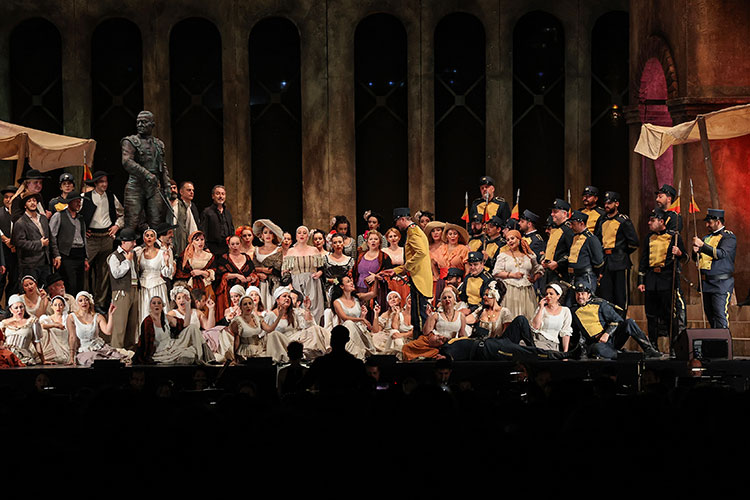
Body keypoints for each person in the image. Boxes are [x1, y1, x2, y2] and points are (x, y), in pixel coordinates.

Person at [570, 282, 661, 359]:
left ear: (589, 294)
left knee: (629, 322)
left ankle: (649, 349)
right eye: (577, 294)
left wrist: (607, 333)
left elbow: (618, 320)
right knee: (597, 348)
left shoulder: (600, 304)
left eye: (583, 294)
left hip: (612, 338)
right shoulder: (573, 311)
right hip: (598, 344)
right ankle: (624, 355)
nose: (580, 296)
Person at [638, 208, 687, 346]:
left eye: (652, 220)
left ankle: (674, 346)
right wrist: (641, 280)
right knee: (651, 314)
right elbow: (644, 260)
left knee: (669, 314)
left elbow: (686, 258)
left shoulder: (674, 237)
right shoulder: (649, 237)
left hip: (667, 279)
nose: (649, 223)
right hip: (651, 279)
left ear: (661, 221)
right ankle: (653, 345)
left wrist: (679, 253)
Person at [382, 208, 433, 338]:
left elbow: (421, 253)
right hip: (416, 277)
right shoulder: (413, 231)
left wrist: (406, 267)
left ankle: (422, 340)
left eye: (397, 222)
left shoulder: (414, 232)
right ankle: (418, 338)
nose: (397, 225)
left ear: (403, 219)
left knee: (420, 314)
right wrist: (395, 270)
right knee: (416, 313)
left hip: (419, 278)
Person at [121, 110, 172, 231]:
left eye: (144, 122)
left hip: (154, 186)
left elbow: (162, 166)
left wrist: (167, 185)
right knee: (132, 221)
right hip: (136, 185)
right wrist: (147, 174)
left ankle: (155, 243)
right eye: (138, 122)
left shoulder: (159, 144)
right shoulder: (130, 141)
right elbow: (127, 162)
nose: (140, 125)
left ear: (152, 125)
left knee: (156, 221)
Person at [81, 170, 124, 309]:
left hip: (106, 237)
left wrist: (117, 226)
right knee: (85, 270)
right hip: (91, 238)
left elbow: (122, 214)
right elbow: (76, 215)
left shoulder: (111, 197)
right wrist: (83, 229)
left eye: (105, 181)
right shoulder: (85, 197)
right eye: (101, 182)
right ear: (95, 183)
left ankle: (100, 302)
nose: (104, 184)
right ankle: (85, 301)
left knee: (104, 272)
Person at [594, 191, 639, 313]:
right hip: (606, 261)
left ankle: (621, 321)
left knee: (620, 295)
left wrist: (622, 252)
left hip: (620, 261)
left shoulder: (623, 220)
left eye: (609, 203)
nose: (606, 205)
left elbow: (634, 242)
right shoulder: (602, 220)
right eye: (605, 203)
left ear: (616, 204)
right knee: (606, 295)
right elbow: (597, 239)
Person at [134, 295, 212, 365]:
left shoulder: (167, 318)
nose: (156, 305)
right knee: (188, 355)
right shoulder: (147, 321)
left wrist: (188, 306)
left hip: (172, 346)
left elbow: (185, 324)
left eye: (159, 303)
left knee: (193, 328)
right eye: (154, 303)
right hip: (160, 353)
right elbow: (144, 342)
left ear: (162, 306)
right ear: (150, 306)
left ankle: (206, 358)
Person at [692, 208, 736, 329]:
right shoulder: (706, 238)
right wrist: (695, 251)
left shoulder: (728, 237)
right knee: (710, 317)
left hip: (721, 284)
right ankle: (715, 340)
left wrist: (702, 246)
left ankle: (724, 341)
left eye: (709, 222)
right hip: (706, 283)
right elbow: (700, 259)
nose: (707, 225)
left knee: (720, 316)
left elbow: (721, 254)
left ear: (718, 222)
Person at [263, 287, 329, 363]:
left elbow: (307, 326)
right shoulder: (271, 315)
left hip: (297, 338)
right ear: (277, 300)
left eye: (289, 297)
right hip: (283, 341)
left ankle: (329, 349)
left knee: (316, 328)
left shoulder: (294, 312)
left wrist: (307, 309)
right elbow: (266, 333)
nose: (287, 298)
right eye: (284, 296)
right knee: (274, 334)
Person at [401, 286, 466, 361]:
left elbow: (462, 334)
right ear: (441, 302)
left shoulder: (461, 316)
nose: (447, 299)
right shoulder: (436, 315)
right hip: (435, 343)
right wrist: (429, 317)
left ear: (454, 300)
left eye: (449, 297)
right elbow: (426, 332)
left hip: (451, 343)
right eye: (444, 298)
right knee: (408, 347)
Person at [67, 291, 130, 366]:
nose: (84, 302)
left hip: (99, 347)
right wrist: (71, 357)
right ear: (77, 303)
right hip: (84, 350)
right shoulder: (72, 317)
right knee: (95, 360)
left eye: (86, 300)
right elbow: (72, 337)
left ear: (90, 302)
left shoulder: (97, 316)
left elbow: (108, 331)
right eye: (80, 300)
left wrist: (110, 315)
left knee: (117, 358)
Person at [301, 325, 367, 395]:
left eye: (334, 337)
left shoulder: (321, 362)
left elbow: (305, 383)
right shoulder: (356, 364)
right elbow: (365, 387)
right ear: (347, 340)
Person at [493, 229, 543, 320]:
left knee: (528, 316)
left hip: (526, 291)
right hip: (510, 290)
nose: (510, 241)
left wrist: (534, 278)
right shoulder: (503, 255)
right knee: (511, 316)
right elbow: (496, 272)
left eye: (512, 238)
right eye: (507, 240)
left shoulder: (529, 256)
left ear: (519, 239)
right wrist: (512, 275)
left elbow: (538, 269)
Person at [12, 192, 57, 284]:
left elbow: (51, 238)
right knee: (32, 288)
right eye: (29, 201)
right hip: (30, 264)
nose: (32, 203)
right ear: (25, 205)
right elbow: (19, 242)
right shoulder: (20, 222)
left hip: (45, 261)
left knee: (45, 288)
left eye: (34, 200)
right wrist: (40, 243)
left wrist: (56, 255)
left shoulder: (43, 218)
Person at [282, 226, 325, 324]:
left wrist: (319, 273)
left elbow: (321, 268)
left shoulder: (314, 250)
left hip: (312, 282)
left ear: (308, 236)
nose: (302, 235)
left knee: (314, 308)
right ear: (296, 236)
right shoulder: (291, 251)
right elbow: (285, 272)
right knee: (299, 308)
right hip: (296, 283)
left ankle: (315, 329)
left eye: (304, 233)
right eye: (299, 233)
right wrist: (290, 286)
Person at [49, 192, 88, 295]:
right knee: (70, 283)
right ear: (69, 202)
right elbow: (52, 236)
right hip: (66, 254)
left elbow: (84, 237)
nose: (79, 204)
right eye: (76, 201)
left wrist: (85, 257)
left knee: (80, 284)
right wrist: (56, 255)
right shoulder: (59, 216)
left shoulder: (80, 218)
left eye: (80, 201)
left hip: (79, 253)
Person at [107, 228, 140, 349]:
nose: (134, 244)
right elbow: (116, 273)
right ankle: (117, 349)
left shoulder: (133, 254)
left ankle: (129, 349)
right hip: (121, 291)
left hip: (134, 289)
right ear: (123, 242)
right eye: (132, 241)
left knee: (132, 323)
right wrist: (127, 261)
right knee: (120, 324)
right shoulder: (114, 256)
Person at [331, 275, 376, 359]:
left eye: (351, 281)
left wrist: (376, 279)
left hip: (360, 330)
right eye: (348, 282)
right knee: (349, 323)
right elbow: (344, 318)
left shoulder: (357, 298)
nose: (352, 283)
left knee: (351, 324)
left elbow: (374, 294)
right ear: (342, 286)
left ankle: (360, 354)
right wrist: (362, 319)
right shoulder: (337, 302)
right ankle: (354, 355)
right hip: (346, 331)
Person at [214, 234, 256, 322]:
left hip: (244, 290)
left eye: (237, 244)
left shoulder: (247, 257)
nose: (235, 246)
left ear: (241, 244)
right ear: (229, 245)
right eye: (232, 244)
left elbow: (253, 273)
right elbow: (221, 275)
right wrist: (237, 275)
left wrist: (249, 278)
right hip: (229, 291)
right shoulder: (224, 258)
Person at [135, 228, 174, 322]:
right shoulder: (139, 253)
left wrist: (166, 261)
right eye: (147, 236)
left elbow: (166, 273)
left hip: (157, 286)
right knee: (144, 311)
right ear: (144, 238)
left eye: (151, 236)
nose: (149, 238)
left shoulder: (161, 253)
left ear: (155, 238)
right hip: (143, 287)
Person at [352, 229, 392, 314]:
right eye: (371, 239)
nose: (373, 241)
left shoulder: (384, 257)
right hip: (359, 288)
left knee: (373, 314)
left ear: (380, 242)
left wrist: (376, 276)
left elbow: (389, 273)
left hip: (376, 291)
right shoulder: (360, 256)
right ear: (367, 242)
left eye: (376, 239)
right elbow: (354, 271)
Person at [567, 210, 604, 294]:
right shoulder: (575, 237)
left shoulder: (591, 238)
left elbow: (599, 261)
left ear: (581, 223)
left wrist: (596, 274)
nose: (571, 227)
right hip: (574, 277)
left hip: (585, 277)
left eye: (573, 224)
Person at [0, 294, 45, 365]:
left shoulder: (32, 321)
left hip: (24, 356)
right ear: (11, 310)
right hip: (8, 355)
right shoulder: (4, 323)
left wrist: (43, 360)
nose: (19, 310)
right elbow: (1, 341)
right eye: (16, 308)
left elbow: (37, 342)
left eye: (21, 307)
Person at [252, 219, 284, 310]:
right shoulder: (256, 250)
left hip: (274, 283)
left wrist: (270, 271)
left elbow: (278, 268)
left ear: (274, 235)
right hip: (259, 283)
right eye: (265, 232)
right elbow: (252, 268)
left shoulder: (279, 250)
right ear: (261, 235)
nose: (268, 235)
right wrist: (261, 271)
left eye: (270, 232)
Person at [530, 284, 572, 351]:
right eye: (546, 294)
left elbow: (566, 332)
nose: (548, 296)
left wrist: (565, 352)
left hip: (552, 343)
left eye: (551, 294)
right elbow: (535, 327)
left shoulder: (565, 311)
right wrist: (541, 308)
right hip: (538, 339)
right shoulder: (541, 309)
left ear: (558, 296)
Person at [175, 230, 216, 300]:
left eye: (202, 239)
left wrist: (201, 272)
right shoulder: (186, 256)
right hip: (190, 286)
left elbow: (214, 271)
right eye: (197, 240)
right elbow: (181, 273)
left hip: (206, 285)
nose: (200, 242)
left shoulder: (209, 256)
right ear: (192, 242)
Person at [541, 198, 574, 286]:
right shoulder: (555, 229)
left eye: (555, 212)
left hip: (561, 274)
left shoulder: (568, 230)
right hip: (549, 273)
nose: (552, 214)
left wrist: (558, 264)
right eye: (552, 212)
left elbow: (572, 252)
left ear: (564, 214)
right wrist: (545, 260)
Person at [225, 295, 266, 362]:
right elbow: (236, 339)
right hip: (245, 348)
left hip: (258, 346)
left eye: (250, 303)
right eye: (232, 297)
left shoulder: (257, 317)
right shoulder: (238, 319)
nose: (234, 299)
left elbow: (268, 329)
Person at [372, 290, 413, 357]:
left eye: (395, 297)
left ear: (400, 300)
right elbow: (376, 330)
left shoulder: (404, 312)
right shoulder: (385, 314)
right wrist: (376, 314)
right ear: (388, 302)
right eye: (390, 298)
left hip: (401, 336)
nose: (393, 299)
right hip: (387, 337)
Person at [200, 184, 234, 256]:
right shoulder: (207, 212)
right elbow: (203, 231)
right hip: (212, 249)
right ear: (213, 196)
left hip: (226, 249)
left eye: (223, 194)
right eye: (218, 194)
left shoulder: (227, 213)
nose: (220, 196)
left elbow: (231, 230)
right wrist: (205, 247)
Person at [322, 232, 355, 304]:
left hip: (345, 291)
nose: (338, 244)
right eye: (335, 242)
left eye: (340, 242)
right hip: (328, 290)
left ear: (343, 243)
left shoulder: (349, 260)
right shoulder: (326, 259)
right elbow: (322, 276)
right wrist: (331, 280)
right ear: (332, 245)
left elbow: (351, 277)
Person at [39, 295, 71, 364]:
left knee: (61, 358)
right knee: (44, 331)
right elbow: (41, 326)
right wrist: (54, 325)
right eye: (55, 305)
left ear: (64, 306)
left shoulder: (67, 318)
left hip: (64, 346)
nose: (58, 307)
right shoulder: (47, 319)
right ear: (51, 306)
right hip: (50, 347)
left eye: (60, 305)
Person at [172, 181, 200, 258]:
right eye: (189, 190)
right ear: (181, 192)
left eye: (193, 190)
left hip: (183, 243)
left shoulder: (190, 207)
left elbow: (193, 228)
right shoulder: (176, 205)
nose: (191, 192)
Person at [0, 185, 17, 299]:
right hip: (2, 251)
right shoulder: (0, 212)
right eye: (6, 197)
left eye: (11, 197)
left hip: (16, 251)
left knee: (14, 280)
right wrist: (5, 240)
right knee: (1, 279)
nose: (8, 200)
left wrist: (13, 242)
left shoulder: (20, 213)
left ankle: (10, 305)